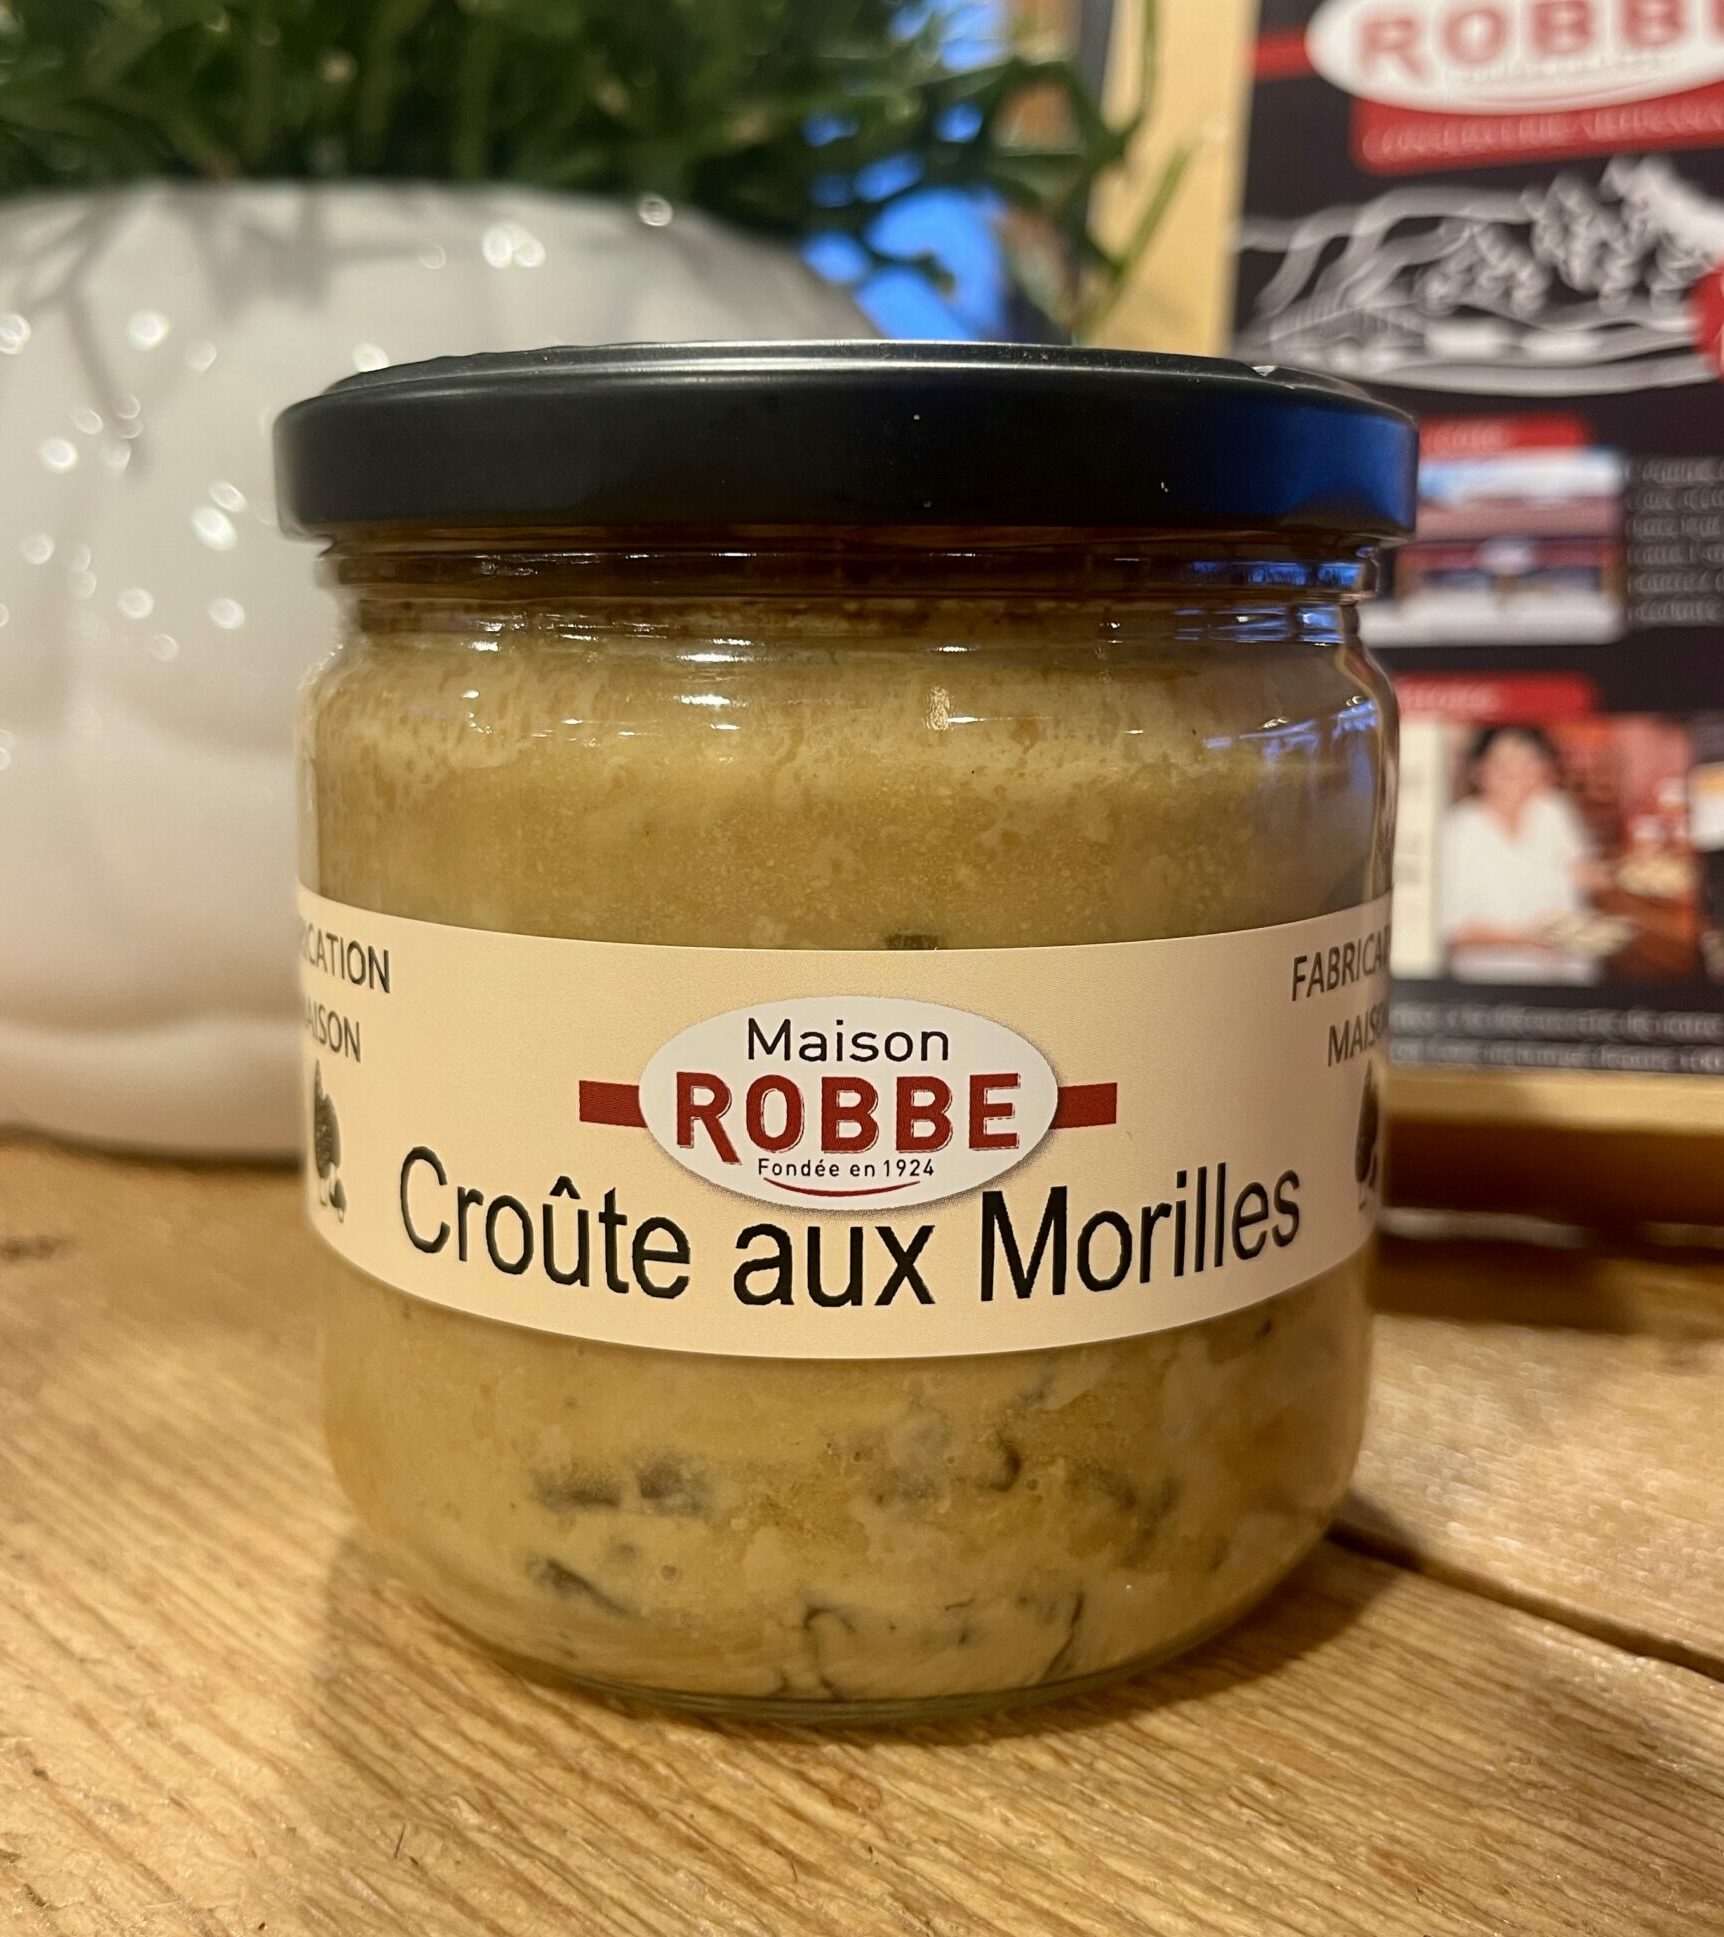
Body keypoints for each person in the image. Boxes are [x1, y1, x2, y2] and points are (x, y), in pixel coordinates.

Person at [1439, 725, 1603, 983]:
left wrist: (1604, 876)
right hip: (1493, 981)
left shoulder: (1554, 811)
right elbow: (1451, 932)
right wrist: (1524, 938)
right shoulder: (1458, 828)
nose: (1516, 771)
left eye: (1528, 761)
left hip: (1567, 975)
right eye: (1502, 762)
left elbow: (1582, 875)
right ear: (1479, 770)